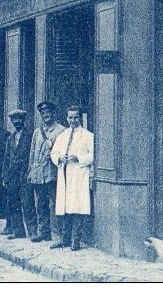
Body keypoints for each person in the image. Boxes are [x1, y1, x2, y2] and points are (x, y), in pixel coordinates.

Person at [50, 106, 95, 251]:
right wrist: (58, 157)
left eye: (76, 117)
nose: (73, 120)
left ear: (80, 118)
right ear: (66, 118)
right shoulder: (62, 135)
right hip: (64, 174)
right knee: (65, 208)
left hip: (78, 175)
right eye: (70, 117)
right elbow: (53, 153)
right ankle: (64, 239)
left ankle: (76, 240)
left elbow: (93, 156)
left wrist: (79, 158)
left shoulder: (88, 136)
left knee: (78, 208)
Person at [28, 100, 65, 243]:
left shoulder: (61, 130)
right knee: (41, 204)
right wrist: (31, 170)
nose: (45, 116)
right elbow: (32, 153)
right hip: (38, 174)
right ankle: (44, 232)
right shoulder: (37, 132)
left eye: (48, 113)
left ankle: (61, 234)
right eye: (43, 113)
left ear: (53, 113)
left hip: (52, 173)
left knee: (56, 203)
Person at [3, 109, 35, 239]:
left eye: (19, 119)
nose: (16, 122)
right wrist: (5, 176)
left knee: (28, 203)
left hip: (24, 174)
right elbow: (6, 158)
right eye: (14, 120)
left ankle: (32, 231)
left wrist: (29, 171)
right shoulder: (10, 138)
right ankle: (18, 231)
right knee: (13, 204)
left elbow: (32, 156)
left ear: (23, 120)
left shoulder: (30, 136)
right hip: (12, 176)